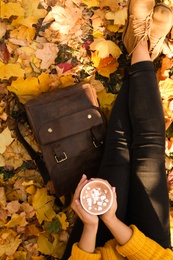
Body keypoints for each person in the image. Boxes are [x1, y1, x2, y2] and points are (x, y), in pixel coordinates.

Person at [62, 0, 173, 259]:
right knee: (149, 151)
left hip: (93, 245)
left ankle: (140, 47)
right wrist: (111, 220)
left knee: (118, 154)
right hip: (148, 252)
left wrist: (93, 224)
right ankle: (140, 47)